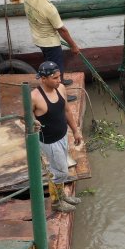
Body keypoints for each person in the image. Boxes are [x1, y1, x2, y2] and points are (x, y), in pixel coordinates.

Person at [31, 61, 83, 212]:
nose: (59, 80)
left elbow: (66, 110)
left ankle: (62, 196)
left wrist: (75, 130)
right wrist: (33, 122)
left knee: (61, 168)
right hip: (49, 141)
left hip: (62, 135)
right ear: (43, 79)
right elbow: (26, 117)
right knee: (60, 172)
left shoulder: (60, 88)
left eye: (59, 76)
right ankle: (56, 202)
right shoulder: (34, 97)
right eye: (55, 78)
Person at [22, 0, 81, 96]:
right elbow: (62, 30)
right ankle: (59, 94)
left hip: (38, 39)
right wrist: (73, 45)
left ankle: (61, 82)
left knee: (52, 64)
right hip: (50, 43)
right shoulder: (49, 8)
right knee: (55, 70)